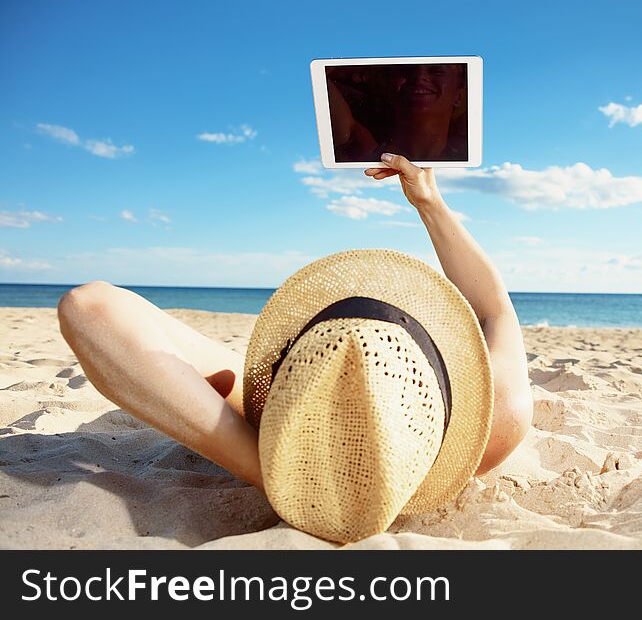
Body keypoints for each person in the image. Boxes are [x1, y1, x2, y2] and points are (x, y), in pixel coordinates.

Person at [56, 153, 533, 498]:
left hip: (281, 437)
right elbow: (493, 309)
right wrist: (429, 201)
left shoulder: (269, 421)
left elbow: (90, 307)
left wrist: (267, 471)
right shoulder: (497, 422)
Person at [328, 64, 468, 162]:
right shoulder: (361, 145)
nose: (419, 77)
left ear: (459, 96)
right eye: (407, 71)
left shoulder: (464, 158)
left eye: (437, 71)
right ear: (389, 91)